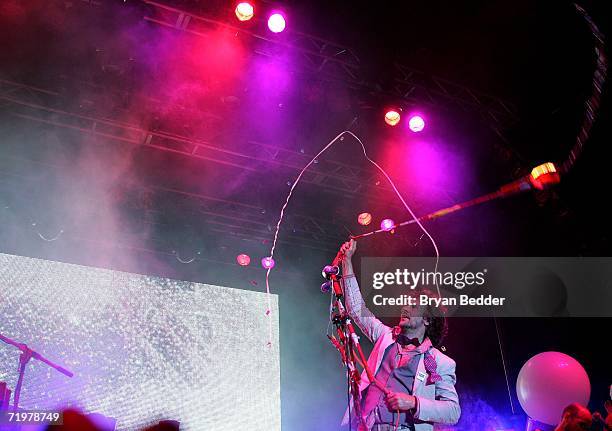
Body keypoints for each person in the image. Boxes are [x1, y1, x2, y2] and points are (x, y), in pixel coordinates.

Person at [339, 239, 460, 431]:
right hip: (364, 426)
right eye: (406, 303)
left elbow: (453, 411)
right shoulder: (385, 336)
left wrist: (413, 402)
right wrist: (347, 261)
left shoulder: (441, 362)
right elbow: (356, 309)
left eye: (413, 306)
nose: (405, 307)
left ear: (427, 320)